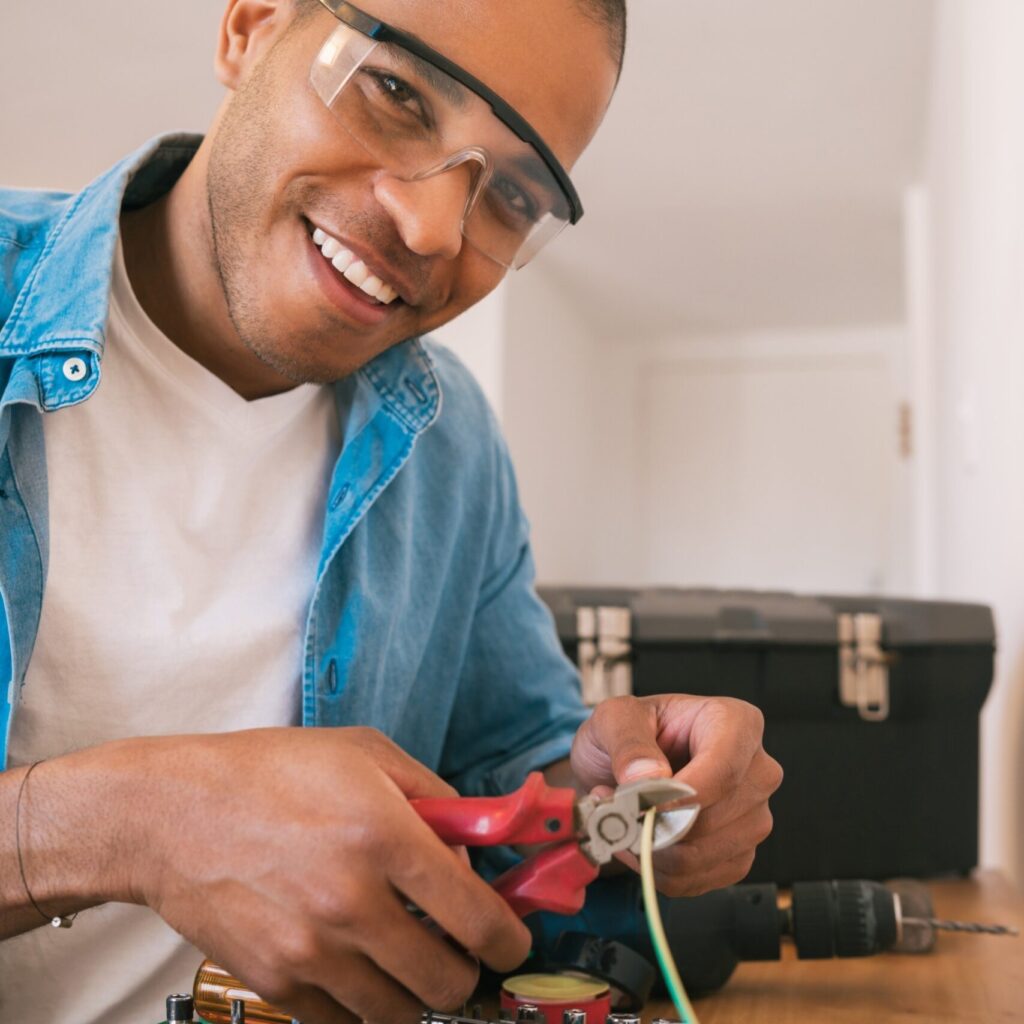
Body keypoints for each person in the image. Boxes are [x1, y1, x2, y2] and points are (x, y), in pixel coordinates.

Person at [0, 1, 783, 1022]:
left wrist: (614, 797)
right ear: (249, 27)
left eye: (509, 192)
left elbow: (506, 780)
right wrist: (134, 824)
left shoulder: (453, 444)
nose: (431, 227)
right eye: (398, 92)